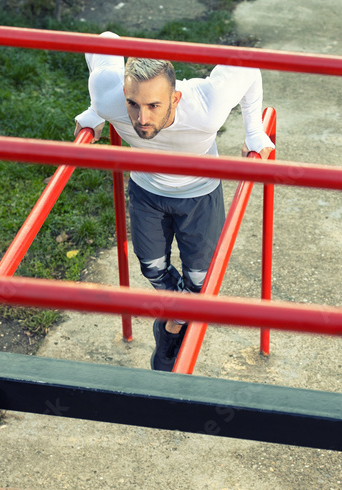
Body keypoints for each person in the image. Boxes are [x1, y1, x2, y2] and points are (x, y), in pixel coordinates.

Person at [75, 31, 274, 372]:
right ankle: (182, 316)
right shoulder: (110, 98)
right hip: (147, 192)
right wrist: (97, 111)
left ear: (176, 98)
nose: (142, 118)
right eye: (133, 104)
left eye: (154, 105)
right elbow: (103, 40)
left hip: (199, 195)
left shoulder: (206, 106)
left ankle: (171, 327)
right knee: (151, 268)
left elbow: (248, 67)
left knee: (201, 281)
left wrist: (254, 131)